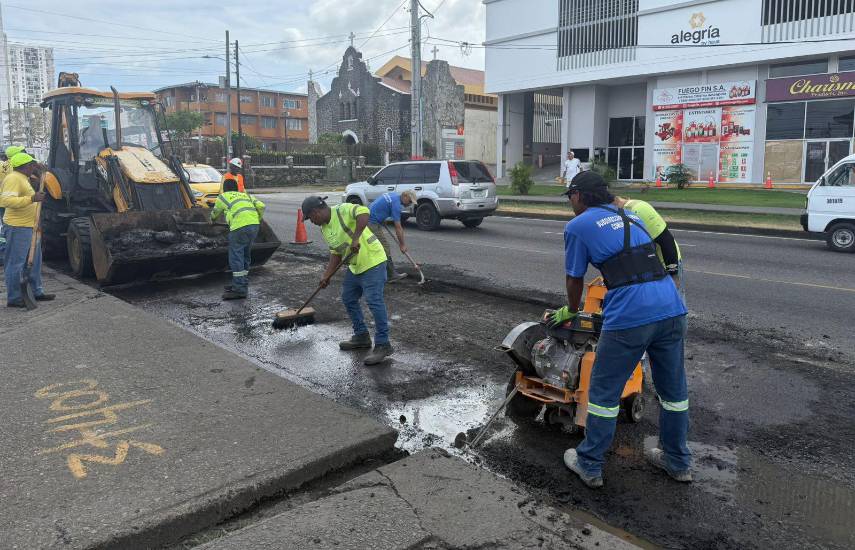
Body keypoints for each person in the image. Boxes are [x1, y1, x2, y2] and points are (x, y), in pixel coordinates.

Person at [555, 172, 689, 489]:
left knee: (603, 393)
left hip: (631, 314)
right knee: (674, 393)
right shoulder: (629, 213)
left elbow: (575, 278)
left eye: (570, 196)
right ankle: (678, 462)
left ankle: (589, 464)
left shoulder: (578, 225)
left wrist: (572, 311)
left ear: (580, 196)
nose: (570, 203)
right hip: (671, 307)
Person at [301, 195, 392, 366]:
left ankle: (383, 344)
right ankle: (362, 336)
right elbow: (336, 252)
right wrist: (326, 275)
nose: (311, 222)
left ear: (315, 212)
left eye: (310, 218)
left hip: (373, 260)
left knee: (374, 301)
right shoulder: (324, 228)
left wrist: (356, 237)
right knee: (348, 298)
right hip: (356, 265)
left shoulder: (341, 210)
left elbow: (364, 212)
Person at [0, 153, 55, 307]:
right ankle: (15, 298)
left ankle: (36, 291)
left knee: (35, 262)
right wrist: (31, 199)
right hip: (18, 227)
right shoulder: (13, 179)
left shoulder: (24, 178)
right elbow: (5, 200)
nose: (34, 167)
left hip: (31, 226)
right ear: (25, 166)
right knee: (15, 263)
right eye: (32, 165)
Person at [613, 196, 683, 295]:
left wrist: (673, 275)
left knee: (673, 306)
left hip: (664, 265)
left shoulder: (638, 208)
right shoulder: (611, 217)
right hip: (645, 268)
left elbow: (667, 241)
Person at [210, 178, 265, 300]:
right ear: (237, 188)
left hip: (239, 228)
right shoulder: (246, 195)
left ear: (224, 189)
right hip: (254, 226)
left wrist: (212, 220)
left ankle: (239, 290)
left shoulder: (223, 197)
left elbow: (215, 212)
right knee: (245, 256)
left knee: (236, 258)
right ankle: (240, 283)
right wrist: (257, 219)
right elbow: (261, 205)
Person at [367, 190, 417, 282]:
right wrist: (402, 245)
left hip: (368, 217)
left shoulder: (393, 195)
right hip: (371, 223)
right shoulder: (396, 205)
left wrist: (382, 216)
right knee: (384, 247)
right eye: (409, 201)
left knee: (371, 245)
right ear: (405, 196)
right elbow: (398, 228)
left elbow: (380, 204)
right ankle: (391, 275)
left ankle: (373, 270)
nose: (410, 204)